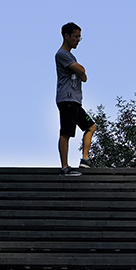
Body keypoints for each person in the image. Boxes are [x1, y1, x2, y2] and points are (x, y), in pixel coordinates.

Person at [56, 23, 95, 175]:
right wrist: (81, 72)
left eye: (80, 37)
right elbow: (82, 71)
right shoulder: (62, 54)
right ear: (67, 36)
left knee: (91, 127)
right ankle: (65, 167)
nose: (78, 40)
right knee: (66, 132)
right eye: (76, 36)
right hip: (67, 100)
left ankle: (85, 159)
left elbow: (84, 77)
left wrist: (81, 73)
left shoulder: (70, 55)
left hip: (75, 101)